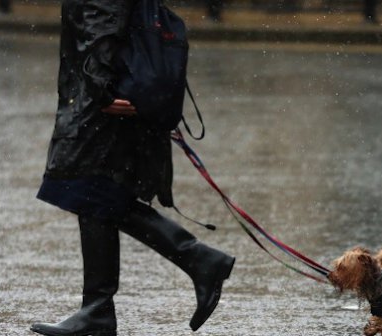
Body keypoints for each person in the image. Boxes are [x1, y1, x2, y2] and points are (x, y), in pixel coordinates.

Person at [29, 0, 235, 335]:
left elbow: (103, 18)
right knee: (97, 194)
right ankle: (99, 308)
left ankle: (198, 261)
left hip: (109, 100)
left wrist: (99, 88)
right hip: (113, 91)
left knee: (88, 189)